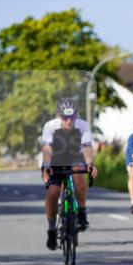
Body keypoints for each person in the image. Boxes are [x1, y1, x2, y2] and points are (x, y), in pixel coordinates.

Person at [41, 97, 98, 250]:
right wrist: (46, 166)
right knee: (53, 192)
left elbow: (86, 147)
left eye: (71, 117)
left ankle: (81, 211)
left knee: (79, 178)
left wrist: (90, 164)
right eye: (65, 117)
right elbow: (47, 149)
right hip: (56, 158)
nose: (68, 121)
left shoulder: (83, 125)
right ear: (58, 116)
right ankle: (52, 229)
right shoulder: (50, 126)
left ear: (76, 115)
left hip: (75, 156)